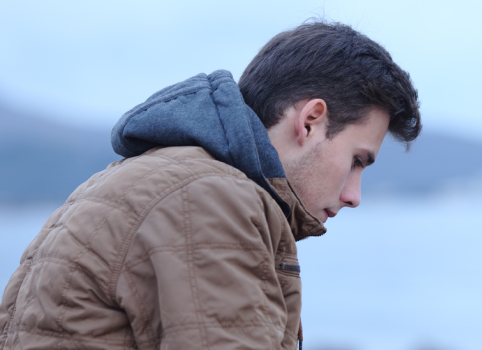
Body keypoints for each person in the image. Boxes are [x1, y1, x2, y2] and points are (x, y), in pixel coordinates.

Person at [0, 21, 420, 349]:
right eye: (357, 161)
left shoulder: (165, 179)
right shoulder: (212, 200)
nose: (354, 195)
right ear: (310, 122)